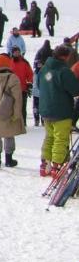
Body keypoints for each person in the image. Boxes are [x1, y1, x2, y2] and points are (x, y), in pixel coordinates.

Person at [37, 45, 79, 177]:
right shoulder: (63, 71)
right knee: (61, 139)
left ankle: (45, 164)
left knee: (49, 137)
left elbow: (39, 85)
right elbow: (75, 89)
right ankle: (57, 165)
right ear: (64, 57)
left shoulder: (44, 69)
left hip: (45, 109)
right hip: (61, 110)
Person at [0, 55, 25, 169]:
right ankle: (9, 159)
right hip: (7, 110)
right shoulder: (12, 78)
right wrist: (16, 113)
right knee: (9, 135)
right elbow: (17, 98)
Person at [8, 46, 33, 124]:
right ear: (12, 53)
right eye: (15, 52)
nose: (17, 53)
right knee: (12, 107)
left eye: (18, 52)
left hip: (23, 88)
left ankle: (23, 123)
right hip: (11, 88)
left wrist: (29, 83)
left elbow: (30, 75)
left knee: (22, 108)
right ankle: (13, 123)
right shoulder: (9, 62)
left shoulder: (25, 62)